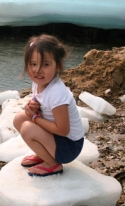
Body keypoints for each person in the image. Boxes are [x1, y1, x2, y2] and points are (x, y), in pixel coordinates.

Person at [13, 34, 84, 177]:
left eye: (45, 64)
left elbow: (63, 130)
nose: (38, 70)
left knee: (27, 127)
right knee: (19, 119)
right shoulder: (39, 83)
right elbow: (42, 104)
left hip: (69, 146)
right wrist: (33, 107)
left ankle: (52, 163)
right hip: (57, 138)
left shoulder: (57, 93)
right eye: (33, 64)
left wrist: (34, 118)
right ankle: (43, 154)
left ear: (57, 66)